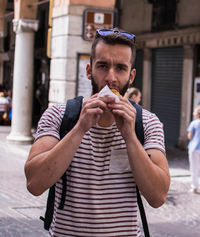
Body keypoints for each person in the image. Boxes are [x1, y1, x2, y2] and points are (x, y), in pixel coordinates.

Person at [24, 28, 170, 236]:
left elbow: (158, 197)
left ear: (132, 75)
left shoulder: (147, 123)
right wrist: (80, 129)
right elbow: (34, 183)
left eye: (120, 68)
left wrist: (129, 136)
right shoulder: (58, 115)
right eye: (102, 66)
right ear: (89, 70)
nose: (110, 78)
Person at [187, 105, 200, 194]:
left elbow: (189, 136)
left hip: (194, 148)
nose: (193, 113)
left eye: (194, 111)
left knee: (194, 168)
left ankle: (195, 187)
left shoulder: (194, 123)